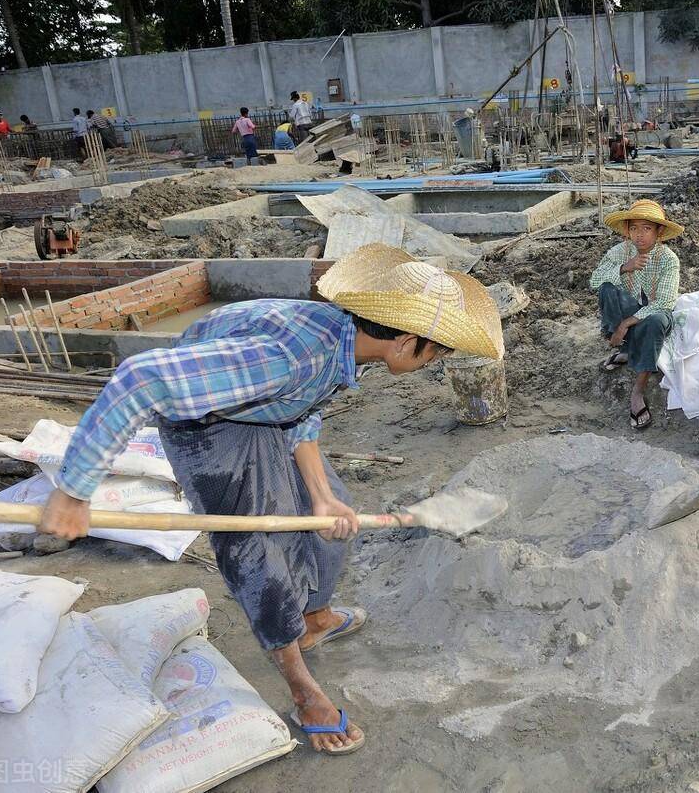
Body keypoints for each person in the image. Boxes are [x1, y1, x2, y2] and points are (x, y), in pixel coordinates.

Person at [36, 244, 504, 755]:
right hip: (210, 426)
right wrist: (73, 491)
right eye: (435, 352)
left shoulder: (351, 343)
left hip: (265, 411)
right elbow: (139, 379)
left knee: (329, 515)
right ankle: (304, 692)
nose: (432, 362)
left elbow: (304, 405)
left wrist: (322, 497)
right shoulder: (289, 356)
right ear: (406, 342)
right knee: (258, 546)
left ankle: (313, 620)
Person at [590, 199, 683, 429]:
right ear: (627, 230)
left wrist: (624, 325)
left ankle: (638, 392)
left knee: (656, 321)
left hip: (653, 318)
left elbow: (664, 303)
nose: (639, 235)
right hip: (629, 312)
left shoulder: (668, 260)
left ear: (659, 231)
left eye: (646, 228)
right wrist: (624, 267)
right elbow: (594, 281)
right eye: (634, 228)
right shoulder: (620, 252)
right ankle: (626, 349)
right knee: (608, 288)